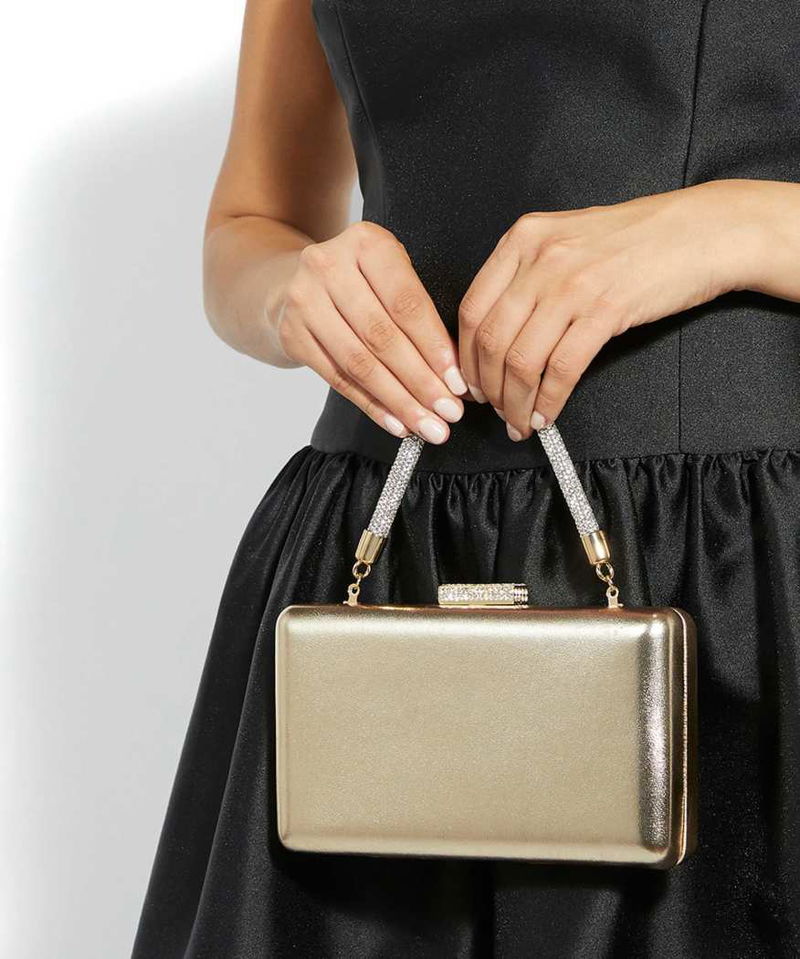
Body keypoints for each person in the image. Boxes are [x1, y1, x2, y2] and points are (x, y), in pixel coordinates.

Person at [132, 0, 800, 955]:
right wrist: (293, 291)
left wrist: (728, 226)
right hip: (379, 568)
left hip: (735, 570)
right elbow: (250, 221)